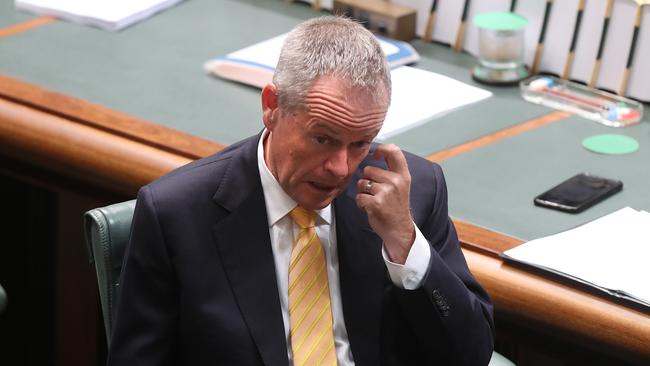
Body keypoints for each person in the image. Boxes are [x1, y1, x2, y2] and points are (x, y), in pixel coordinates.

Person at [108, 16, 494, 366]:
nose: (341, 168)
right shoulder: (176, 214)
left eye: (361, 143)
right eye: (323, 139)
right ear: (272, 106)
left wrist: (405, 245)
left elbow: (471, 354)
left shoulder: (412, 193)